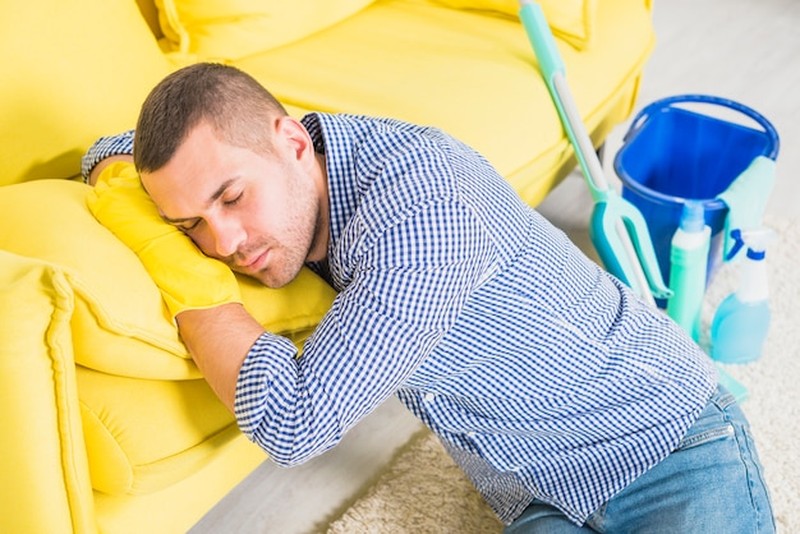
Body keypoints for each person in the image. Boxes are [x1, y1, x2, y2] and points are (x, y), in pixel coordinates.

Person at [83, 62, 775, 533]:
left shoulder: (424, 217)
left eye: (233, 198)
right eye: (189, 227)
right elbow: (103, 155)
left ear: (292, 141)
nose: (223, 242)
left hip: (666, 444)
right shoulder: (279, 161)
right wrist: (152, 201)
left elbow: (294, 424)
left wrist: (192, 285)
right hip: (533, 489)